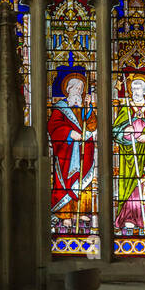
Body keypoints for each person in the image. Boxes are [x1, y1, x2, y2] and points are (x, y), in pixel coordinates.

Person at [112, 73, 145, 232]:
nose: (135, 91)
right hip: (128, 153)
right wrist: (124, 131)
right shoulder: (126, 107)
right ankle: (128, 217)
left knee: (144, 183)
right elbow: (115, 131)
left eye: (138, 88)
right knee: (130, 185)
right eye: (133, 88)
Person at [48, 66, 96, 232]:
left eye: (81, 89)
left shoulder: (84, 107)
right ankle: (65, 214)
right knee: (65, 182)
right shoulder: (60, 107)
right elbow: (53, 127)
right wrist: (69, 133)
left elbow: (92, 126)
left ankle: (79, 211)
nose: (78, 91)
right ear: (68, 89)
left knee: (82, 180)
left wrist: (89, 110)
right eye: (76, 88)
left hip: (84, 150)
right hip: (65, 153)